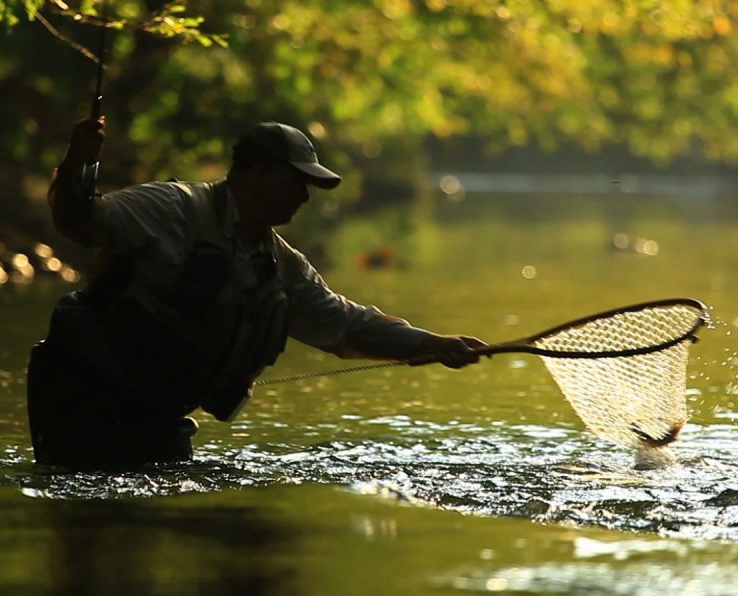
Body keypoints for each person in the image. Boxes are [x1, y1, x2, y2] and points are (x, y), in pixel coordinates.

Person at [27, 117, 487, 467]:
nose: (304, 198)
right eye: (295, 182)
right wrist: (75, 162)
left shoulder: (280, 268)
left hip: (157, 416)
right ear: (253, 175)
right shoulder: (169, 208)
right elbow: (79, 222)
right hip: (80, 392)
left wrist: (435, 345)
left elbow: (348, 327)